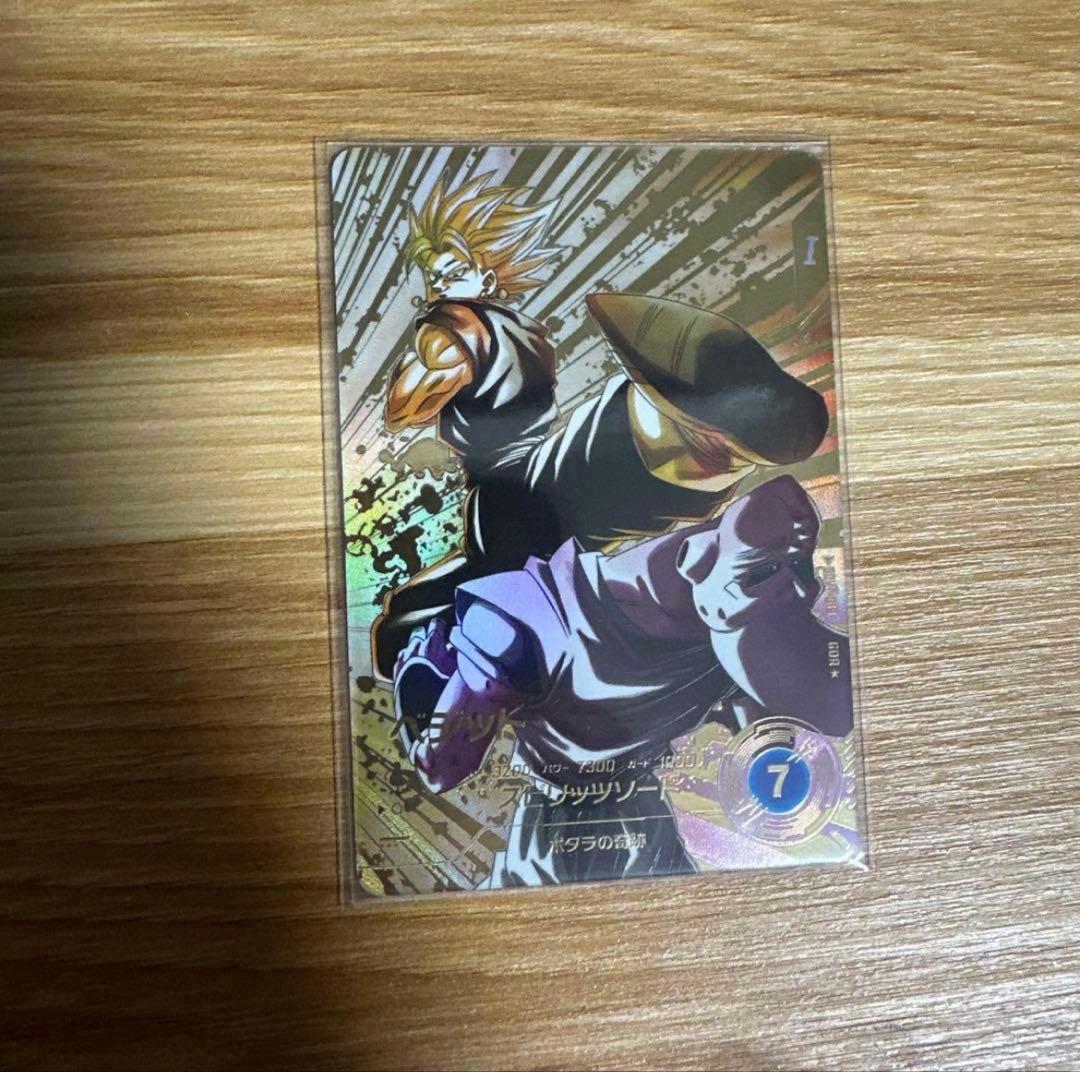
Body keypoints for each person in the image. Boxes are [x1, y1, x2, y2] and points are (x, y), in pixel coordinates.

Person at [370, 172, 830, 681]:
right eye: (435, 278)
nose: (439, 288)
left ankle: (430, 655)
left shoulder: (461, 327)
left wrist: (434, 327)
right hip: (559, 520)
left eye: (450, 272)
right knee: (441, 610)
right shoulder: (529, 336)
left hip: (521, 502)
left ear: (485, 276)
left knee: (436, 613)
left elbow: (402, 408)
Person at [393, 475, 852, 887]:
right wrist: (423, 684)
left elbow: (778, 735)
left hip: (647, 828)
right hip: (552, 839)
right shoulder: (529, 621)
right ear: (696, 559)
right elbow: (442, 768)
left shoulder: (723, 638)